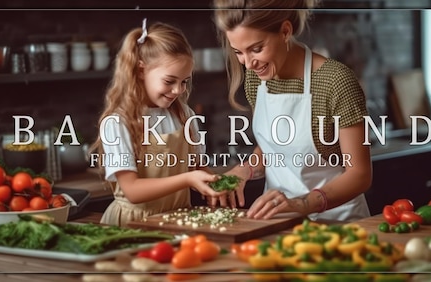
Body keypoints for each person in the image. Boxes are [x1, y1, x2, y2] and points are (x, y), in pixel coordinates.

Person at [213, 0, 372, 222]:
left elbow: (360, 175)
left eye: (256, 49)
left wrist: (300, 204)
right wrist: (245, 170)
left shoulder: (335, 81)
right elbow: (274, 148)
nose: (248, 64)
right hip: (279, 223)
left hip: (339, 225)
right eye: (238, 52)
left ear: (285, 31)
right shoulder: (256, 79)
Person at [90, 19, 224, 226]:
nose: (178, 90)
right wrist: (188, 180)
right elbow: (132, 190)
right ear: (141, 70)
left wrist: (217, 184)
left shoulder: (184, 115)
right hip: (132, 224)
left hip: (178, 219)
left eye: (184, 82)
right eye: (170, 81)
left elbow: (196, 166)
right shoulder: (117, 122)